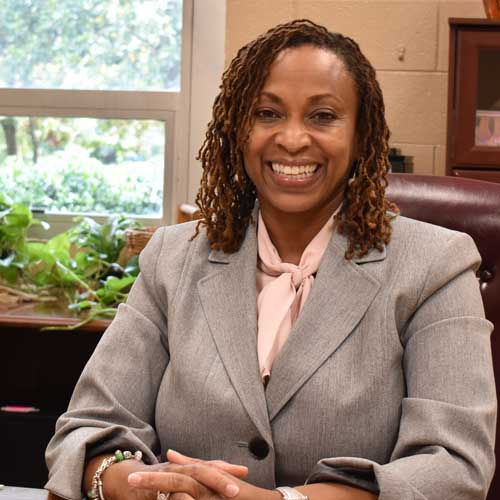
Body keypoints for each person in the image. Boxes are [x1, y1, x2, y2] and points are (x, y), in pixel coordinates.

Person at [45, 19, 496, 500]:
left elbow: (453, 466)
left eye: (323, 115)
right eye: (267, 113)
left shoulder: (434, 265)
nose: (293, 139)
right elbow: (88, 429)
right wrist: (134, 485)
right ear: (238, 130)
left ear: (362, 135)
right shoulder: (172, 258)